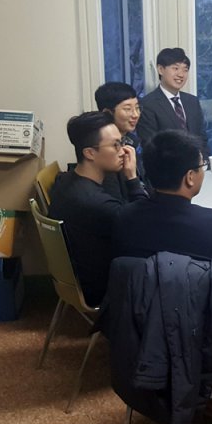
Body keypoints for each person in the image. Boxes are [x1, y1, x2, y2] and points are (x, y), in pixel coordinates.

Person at [112, 129, 212, 424]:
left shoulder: (125, 218)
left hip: (145, 328)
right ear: (190, 177)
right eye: (201, 166)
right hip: (206, 332)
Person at [48, 111, 147, 306]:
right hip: (103, 287)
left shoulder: (65, 181)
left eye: (123, 142)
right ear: (89, 153)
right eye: (115, 145)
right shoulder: (95, 203)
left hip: (80, 277)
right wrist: (132, 177)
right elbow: (143, 227)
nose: (123, 151)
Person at [138, 47, 210, 157]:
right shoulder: (148, 104)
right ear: (160, 69)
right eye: (175, 68)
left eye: (185, 70)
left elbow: (202, 139)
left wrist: (203, 160)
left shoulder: (192, 101)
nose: (181, 74)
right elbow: (150, 146)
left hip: (197, 164)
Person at [94, 81, 146, 199]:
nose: (135, 114)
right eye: (128, 109)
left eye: (137, 108)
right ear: (107, 113)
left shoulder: (131, 141)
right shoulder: (106, 151)